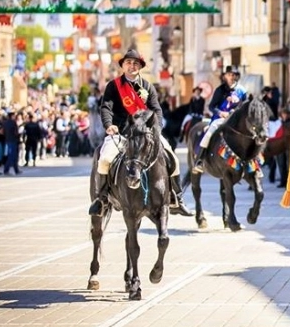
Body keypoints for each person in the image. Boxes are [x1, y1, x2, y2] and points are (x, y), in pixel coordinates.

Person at [88, 49, 193, 217]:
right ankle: (101, 199)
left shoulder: (147, 86)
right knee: (105, 159)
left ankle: (177, 198)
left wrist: (157, 127)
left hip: (145, 134)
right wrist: (109, 125)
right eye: (128, 62)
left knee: (171, 156)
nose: (132, 66)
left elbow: (156, 109)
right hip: (121, 133)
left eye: (135, 63)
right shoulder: (113, 86)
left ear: (140, 67)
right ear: (123, 65)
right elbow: (106, 107)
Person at [193, 66, 248, 173]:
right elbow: (211, 106)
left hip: (236, 120)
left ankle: (252, 163)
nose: (231, 77)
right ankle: (200, 160)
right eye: (229, 75)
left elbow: (245, 107)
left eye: (233, 75)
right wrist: (220, 113)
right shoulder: (220, 90)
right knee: (209, 133)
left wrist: (237, 111)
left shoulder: (242, 91)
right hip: (221, 120)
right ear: (225, 76)